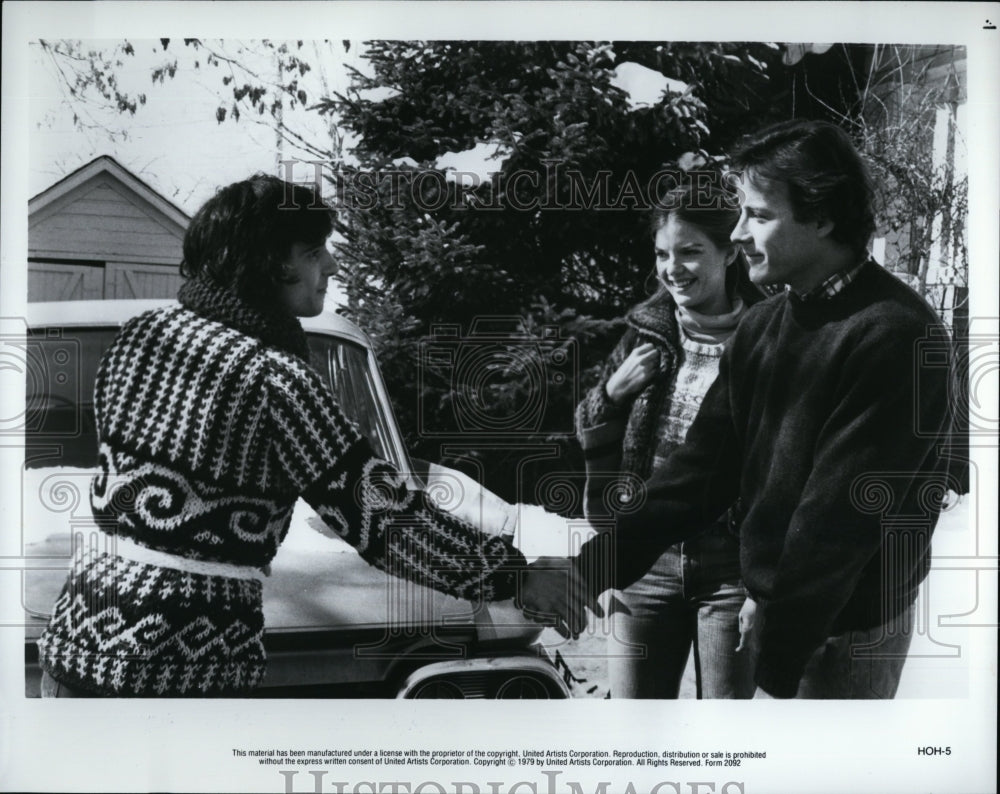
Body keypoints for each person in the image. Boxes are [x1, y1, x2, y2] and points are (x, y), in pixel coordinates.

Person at [36, 174, 528, 697]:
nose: (332, 267)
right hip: (177, 676)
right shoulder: (272, 378)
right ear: (267, 263)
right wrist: (511, 574)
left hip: (75, 648)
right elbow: (381, 518)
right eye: (314, 253)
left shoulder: (139, 337)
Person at [525, 119, 956, 699]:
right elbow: (699, 473)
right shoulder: (764, 327)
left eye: (759, 214)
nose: (740, 232)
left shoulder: (895, 334)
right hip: (784, 615)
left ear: (823, 217)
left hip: (847, 632)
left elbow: (840, 516)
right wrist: (591, 567)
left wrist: (777, 639)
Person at [574, 179, 761, 698]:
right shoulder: (648, 330)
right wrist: (612, 393)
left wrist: (766, 582)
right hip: (646, 557)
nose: (672, 267)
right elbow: (590, 419)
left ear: (729, 252)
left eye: (690, 251)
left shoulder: (768, 335)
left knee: (724, 738)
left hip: (732, 565)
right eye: (662, 253)